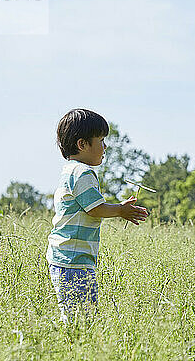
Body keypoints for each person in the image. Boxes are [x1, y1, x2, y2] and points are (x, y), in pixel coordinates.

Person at [46, 108, 149, 322]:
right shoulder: (82, 172)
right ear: (82, 144)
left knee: (77, 315)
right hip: (73, 260)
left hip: (68, 258)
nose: (105, 146)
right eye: (101, 140)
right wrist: (121, 210)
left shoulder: (70, 170)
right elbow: (95, 208)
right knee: (82, 319)